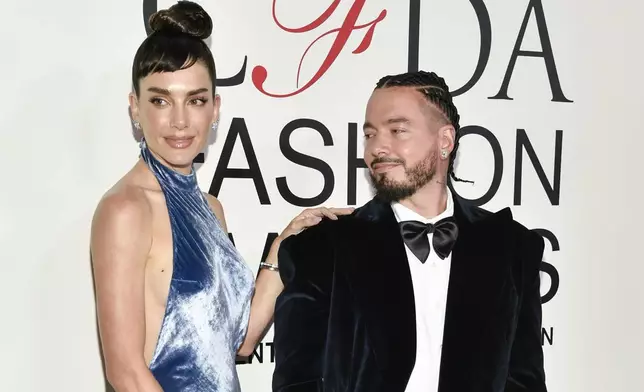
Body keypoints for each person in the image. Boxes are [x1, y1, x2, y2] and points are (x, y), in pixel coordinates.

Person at [89, 2, 352, 391]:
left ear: (215, 109)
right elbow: (125, 372)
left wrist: (284, 244)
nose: (180, 120)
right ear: (135, 108)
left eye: (195, 100)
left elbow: (239, 342)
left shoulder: (211, 208)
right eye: (161, 100)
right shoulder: (125, 210)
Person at [271, 70, 547, 392]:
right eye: (371, 134)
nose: (378, 148)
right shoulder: (322, 248)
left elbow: (523, 380)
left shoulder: (511, 246)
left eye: (397, 130)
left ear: (445, 140)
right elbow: (297, 382)